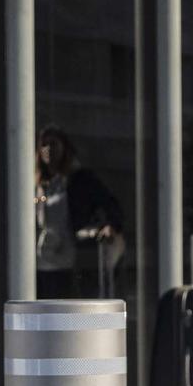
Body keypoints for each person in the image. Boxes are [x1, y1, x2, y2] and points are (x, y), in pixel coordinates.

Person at [34, 124, 124, 299]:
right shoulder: (39, 186)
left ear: (64, 147)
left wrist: (111, 226)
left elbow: (110, 203)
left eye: (53, 144)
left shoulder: (80, 180)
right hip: (42, 260)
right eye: (44, 144)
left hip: (71, 260)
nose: (48, 149)